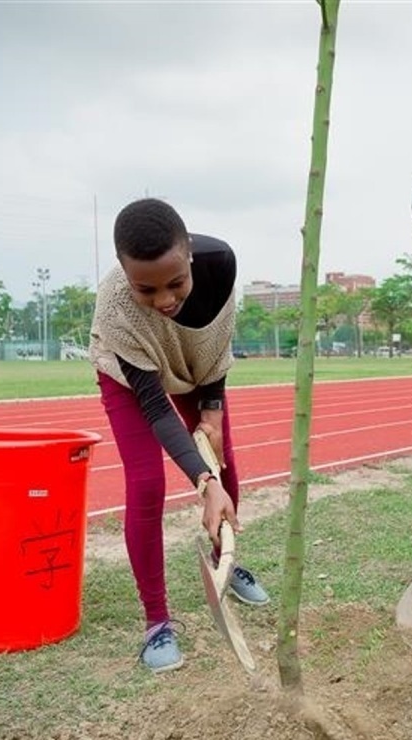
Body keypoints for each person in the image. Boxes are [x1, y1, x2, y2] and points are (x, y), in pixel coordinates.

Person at [90, 198, 270, 674]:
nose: (165, 300)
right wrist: (202, 483)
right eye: (145, 289)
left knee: (223, 457)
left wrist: (211, 412)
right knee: (147, 482)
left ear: (189, 253)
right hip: (130, 379)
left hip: (197, 368)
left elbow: (214, 346)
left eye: (175, 283)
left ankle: (226, 562)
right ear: (125, 275)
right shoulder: (113, 305)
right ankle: (156, 621)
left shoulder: (220, 265)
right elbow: (155, 407)